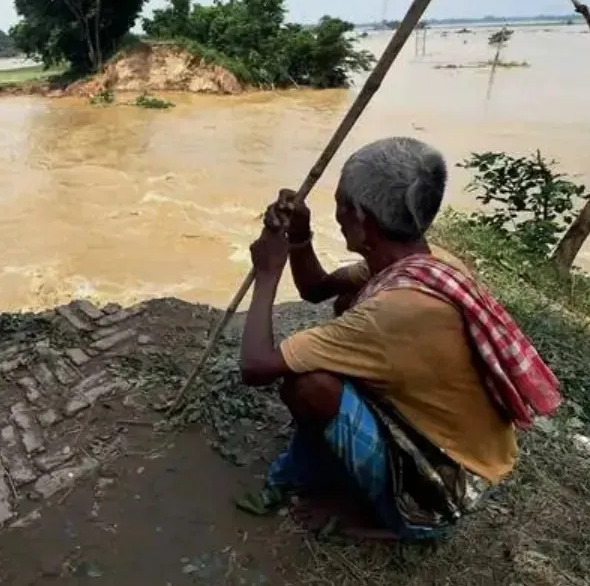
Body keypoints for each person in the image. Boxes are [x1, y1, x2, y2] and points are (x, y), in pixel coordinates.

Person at [236, 136, 562, 540]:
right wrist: (300, 238)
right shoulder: (426, 263)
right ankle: (343, 470)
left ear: (359, 217)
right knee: (345, 311)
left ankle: (395, 517)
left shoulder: (396, 309)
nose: (336, 212)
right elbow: (317, 288)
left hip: (444, 488)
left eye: (340, 203)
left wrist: (267, 272)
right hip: (459, 451)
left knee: (308, 384)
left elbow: (255, 366)